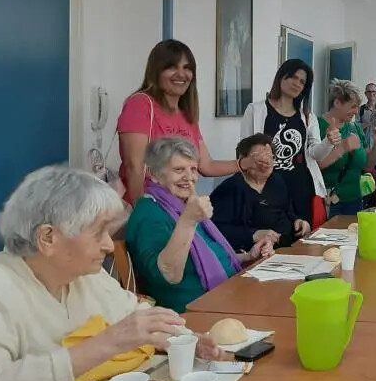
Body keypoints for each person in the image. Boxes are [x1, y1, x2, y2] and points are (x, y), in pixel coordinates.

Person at [0, 166, 228, 381]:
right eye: (98, 233)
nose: (109, 246)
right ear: (48, 238)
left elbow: (135, 315)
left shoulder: (85, 276)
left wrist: (185, 340)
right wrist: (105, 344)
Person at [126, 138, 271, 313]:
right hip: (192, 312)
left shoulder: (182, 204)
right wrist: (188, 221)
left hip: (228, 294)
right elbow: (168, 274)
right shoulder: (149, 213)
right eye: (179, 170)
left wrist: (248, 256)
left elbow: (205, 257)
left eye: (193, 169)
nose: (189, 178)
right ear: (155, 174)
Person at [117, 39, 256, 205]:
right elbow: (134, 166)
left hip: (178, 209)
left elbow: (206, 166)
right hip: (150, 207)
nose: (181, 74)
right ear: (156, 71)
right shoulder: (140, 104)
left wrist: (247, 163)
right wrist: (141, 212)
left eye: (187, 68)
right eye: (172, 67)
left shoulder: (187, 115)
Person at [241, 59, 337, 229]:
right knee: (271, 237)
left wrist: (328, 141)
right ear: (281, 77)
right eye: (293, 77)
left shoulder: (307, 116)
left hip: (300, 186)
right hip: (267, 185)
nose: (297, 83)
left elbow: (315, 154)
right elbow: (243, 150)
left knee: (301, 237)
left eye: (302, 81)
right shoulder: (255, 110)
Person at [211, 133, 311, 250]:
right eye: (258, 157)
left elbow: (288, 211)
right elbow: (215, 230)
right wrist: (253, 235)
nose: (266, 162)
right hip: (253, 255)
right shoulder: (230, 188)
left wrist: (298, 221)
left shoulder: (277, 181)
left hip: (287, 249)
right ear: (243, 160)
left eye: (270, 156)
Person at [318, 80, 376, 216]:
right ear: (337, 102)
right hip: (329, 203)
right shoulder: (317, 125)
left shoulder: (354, 127)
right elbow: (314, 165)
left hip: (356, 201)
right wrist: (342, 148)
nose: (356, 111)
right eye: (353, 106)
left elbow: (367, 165)